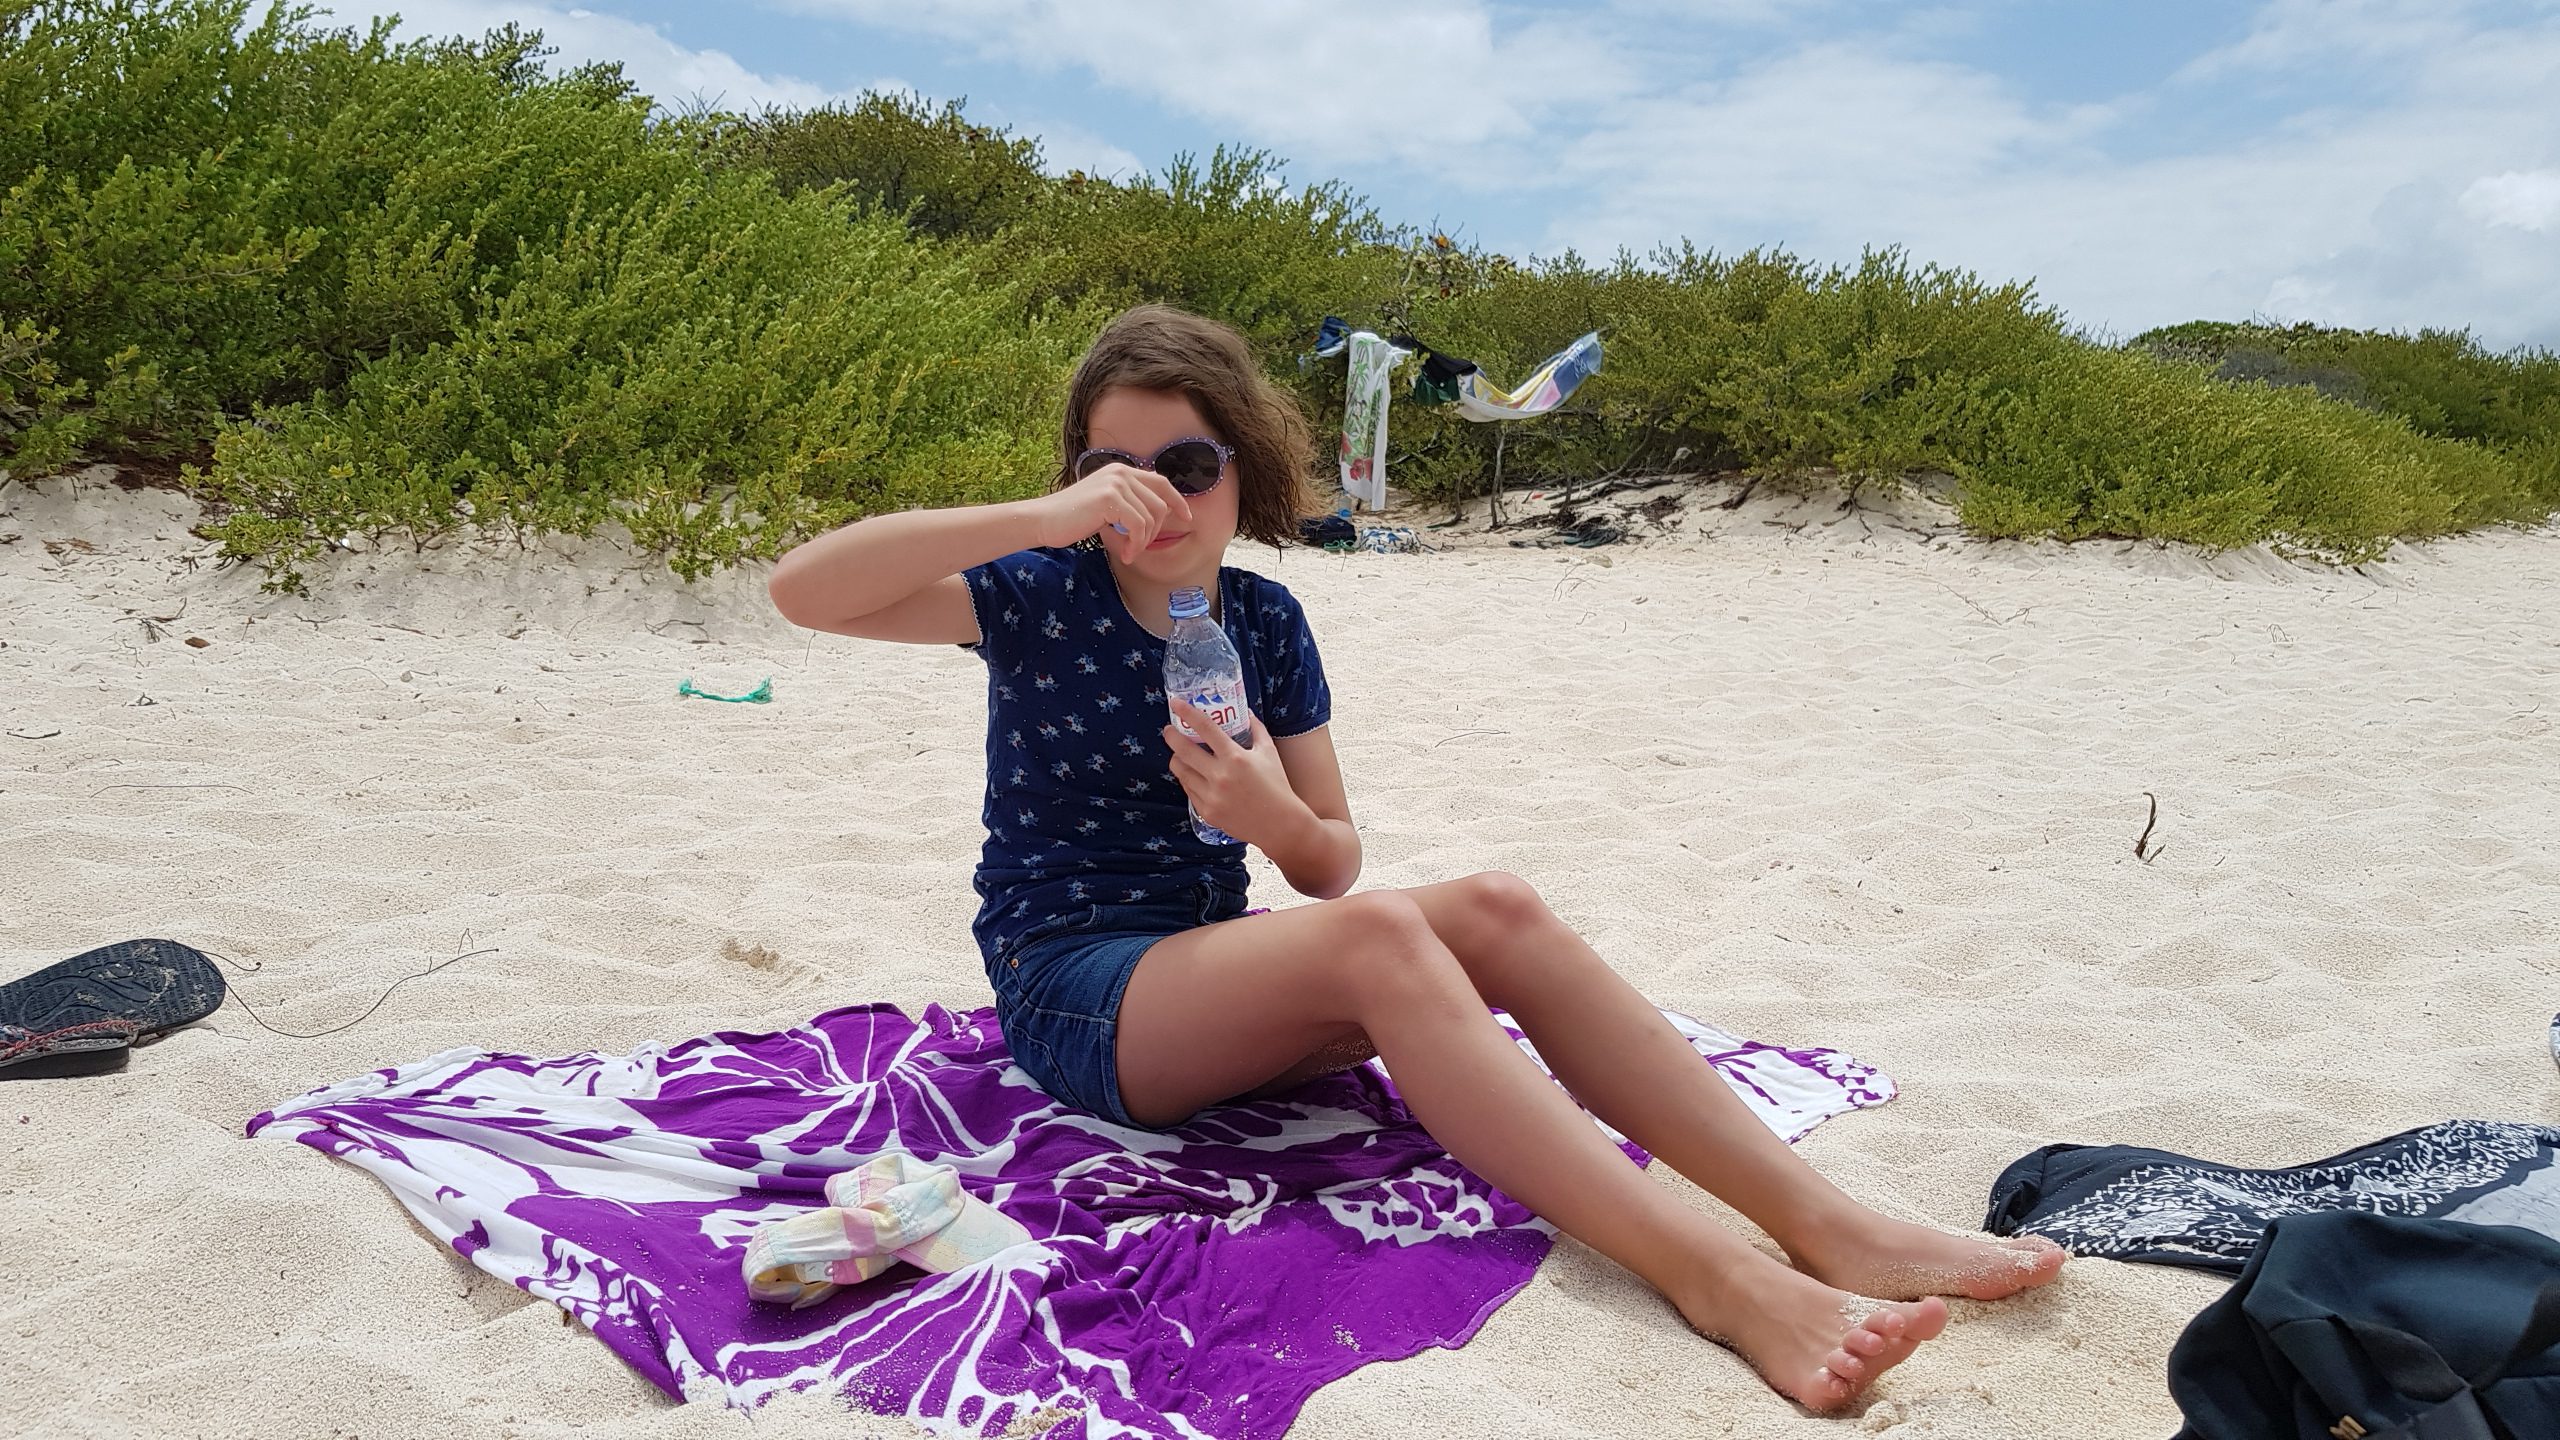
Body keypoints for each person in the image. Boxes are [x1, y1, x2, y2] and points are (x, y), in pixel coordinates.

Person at [767, 304, 2064, 1412]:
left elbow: (1328, 864)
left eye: (1188, 464)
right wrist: (1044, 515)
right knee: (1386, 938)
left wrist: (1266, 813)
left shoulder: (1264, 619)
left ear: (1243, 469)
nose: (1154, 498)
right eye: (1117, 468)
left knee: (1494, 907)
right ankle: (1718, 1278)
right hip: (1076, 993)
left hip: (1213, 977)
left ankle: (1824, 1223)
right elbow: (803, 591)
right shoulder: (1036, 597)